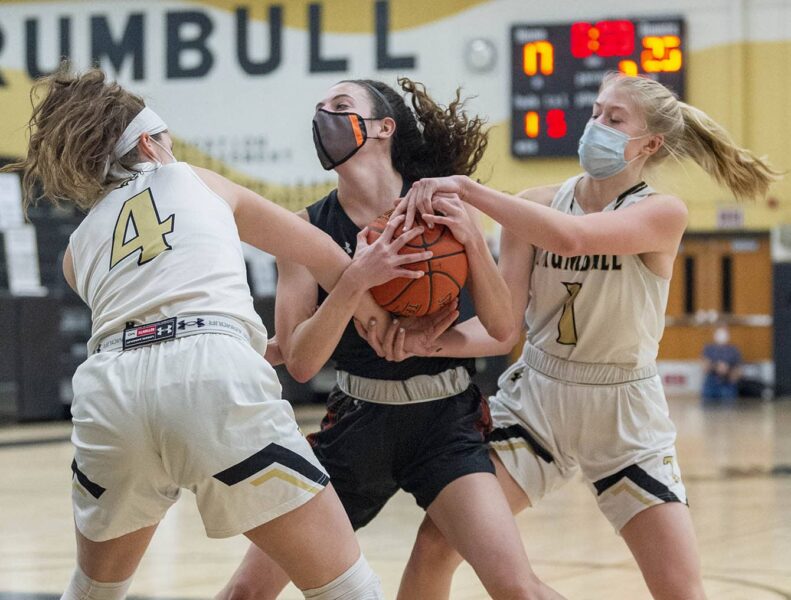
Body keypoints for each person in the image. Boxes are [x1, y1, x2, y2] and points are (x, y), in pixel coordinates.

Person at [1, 65, 456, 600]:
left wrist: (253, 346)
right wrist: (384, 326)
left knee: (92, 591)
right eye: (166, 139)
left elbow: (148, 313)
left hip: (109, 391)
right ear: (148, 144)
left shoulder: (75, 252)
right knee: (348, 589)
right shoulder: (196, 179)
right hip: (209, 376)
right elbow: (324, 255)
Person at [374, 72, 781, 599]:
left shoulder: (661, 212)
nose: (596, 125)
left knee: (680, 591)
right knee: (436, 543)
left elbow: (571, 238)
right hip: (538, 400)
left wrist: (470, 192)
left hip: (623, 409)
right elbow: (502, 329)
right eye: (595, 112)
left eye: (615, 119)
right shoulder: (536, 203)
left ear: (650, 144)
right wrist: (428, 341)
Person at [218, 78, 563, 599]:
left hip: (443, 423)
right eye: (319, 109)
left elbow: (501, 328)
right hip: (355, 424)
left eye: (340, 106)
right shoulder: (305, 228)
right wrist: (356, 279)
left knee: (516, 587)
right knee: (247, 591)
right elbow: (302, 361)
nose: (324, 118)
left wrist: (470, 238)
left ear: (383, 128)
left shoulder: (443, 205)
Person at [701, 325, 742, 405]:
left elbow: (738, 370)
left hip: (727, 384)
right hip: (711, 384)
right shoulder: (708, 348)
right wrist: (716, 366)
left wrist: (729, 372)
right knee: (708, 406)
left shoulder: (734, 350)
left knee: (728, 405)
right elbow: (704, 367)